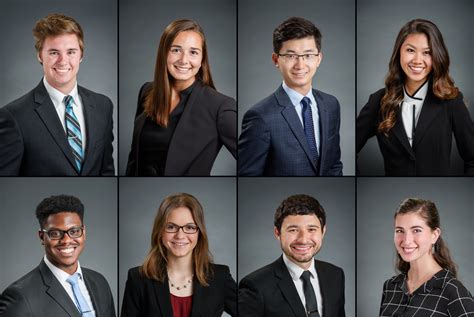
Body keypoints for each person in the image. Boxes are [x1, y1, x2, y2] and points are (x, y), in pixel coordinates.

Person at [119, 192, 237, 317]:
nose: (180, 235)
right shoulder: (139, 278)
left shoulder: (220, 278)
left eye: (189, 227)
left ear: (199, 232)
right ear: (160, 231)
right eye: (171, 227)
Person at [0, 13, 115, 176]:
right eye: (54, 52)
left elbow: (107, 171)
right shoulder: (14, 117)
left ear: (81, 55)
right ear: (40, 55)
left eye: (71, 52)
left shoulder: (103, 106)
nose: (63, 61)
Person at [0, 194, 118, 317]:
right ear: (42, 237)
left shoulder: (99, 282)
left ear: (84, 232)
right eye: (55, 233)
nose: (66, 240)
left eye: (74, 231)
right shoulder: (20, 297)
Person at [357, 19, 474, 176]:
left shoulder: (451, 101)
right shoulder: (379, 101)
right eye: (410, 50)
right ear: (399, 52)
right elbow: (347, 149)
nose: (417, 60)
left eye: (427, 52)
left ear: (437, 56)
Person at [126, 19, 236, 176]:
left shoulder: (220, 106)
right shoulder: (147, 91)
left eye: (193, 52)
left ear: (202, 59)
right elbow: (134, 160)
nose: (184, 60)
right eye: (176, 50)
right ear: (164, 52)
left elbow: (251, 161)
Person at [238, 194, 347, 317]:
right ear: (277, 233)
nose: (303, 239)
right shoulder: (256, 286)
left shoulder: (335, 275)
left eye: (311, 229)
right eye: (293, 230)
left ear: (323, 231)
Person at [238, 17, 342, 176]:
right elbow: (247, 176)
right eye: (291, 56)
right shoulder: (260, 117)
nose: (300, 65)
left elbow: (334, 165)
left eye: (308, 55)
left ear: (318, 58)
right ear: (276, 60)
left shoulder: (331, 105)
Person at [375, 198, 474, 317]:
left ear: (434, 235)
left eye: (416, 230)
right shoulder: (390, 286)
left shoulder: (452, 291)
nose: (406, 241)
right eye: (400, 231)